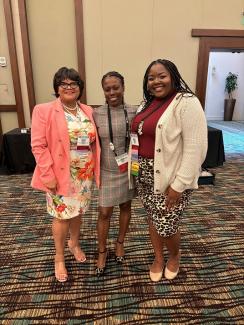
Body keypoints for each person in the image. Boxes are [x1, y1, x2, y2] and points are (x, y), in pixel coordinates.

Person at [130, 59, 208, 282]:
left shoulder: (186, 102)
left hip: (170, 177)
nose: (156, 81)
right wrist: (134, 171)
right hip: (144, 175)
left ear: (173, 76)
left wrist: (179, 184)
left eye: (161, 76)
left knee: (167, 224)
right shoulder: (146, 103)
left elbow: (196, 147)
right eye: (151, 78)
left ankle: (174, 255)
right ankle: (157, 258)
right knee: (153, 219)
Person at [31, 67, 100, 282]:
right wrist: (46, 173)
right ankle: (59, 257)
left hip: (84, 174)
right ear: (57, 89)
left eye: (74, 84)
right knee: (61, 216)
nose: (69, 88)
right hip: (59, 174)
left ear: (80, 88)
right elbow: (38, 145)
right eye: (64, 84)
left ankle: (74, 243)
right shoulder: (44, 110)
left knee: (78, 211)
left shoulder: (88, 110)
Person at [93, 71, 137, 276]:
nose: (112, 92)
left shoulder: (135, 111)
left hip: (128, 168)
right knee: (104, 213)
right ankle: (102, 251)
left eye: (115, 87)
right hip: (107, 170)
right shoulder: (97, 113)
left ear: (123, 87)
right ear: (103, 90)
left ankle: (120, 243)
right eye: (107, 88)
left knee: (126, 206)